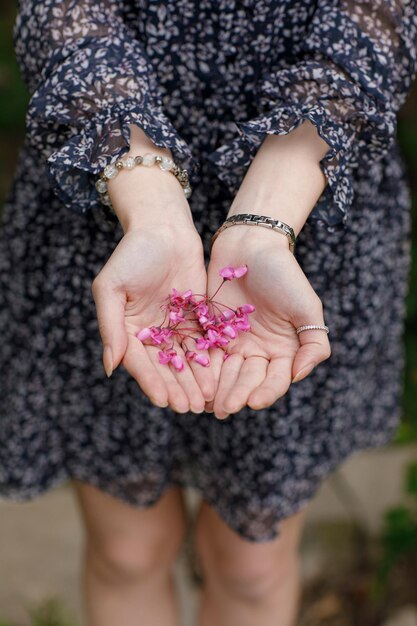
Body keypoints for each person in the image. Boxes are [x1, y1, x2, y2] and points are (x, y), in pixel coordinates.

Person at [1, 0, 416, 624]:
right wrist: (147, 197)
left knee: (252, 564)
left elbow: (378, 18)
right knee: (129, 550)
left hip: (308, 199)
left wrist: (266, 218)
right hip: (110, 182)